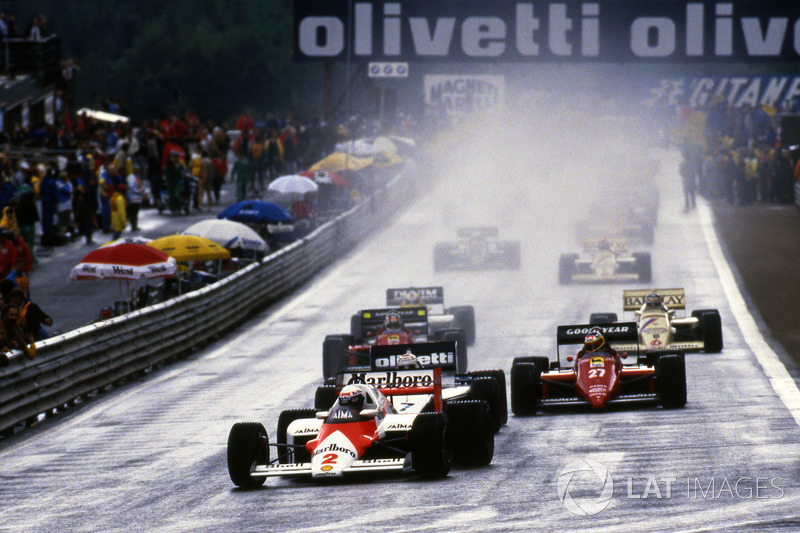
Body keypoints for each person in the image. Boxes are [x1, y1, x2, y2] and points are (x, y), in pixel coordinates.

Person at [125, 164, 144, 231]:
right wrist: (139, 191)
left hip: (137, 198)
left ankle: (135, 225)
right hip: (132, 198)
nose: (137, 171)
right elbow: (131, 188)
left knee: (136, 213)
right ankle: (133, 226)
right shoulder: (131, 177)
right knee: (133, 213)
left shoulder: (137, 177)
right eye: (136, 170)